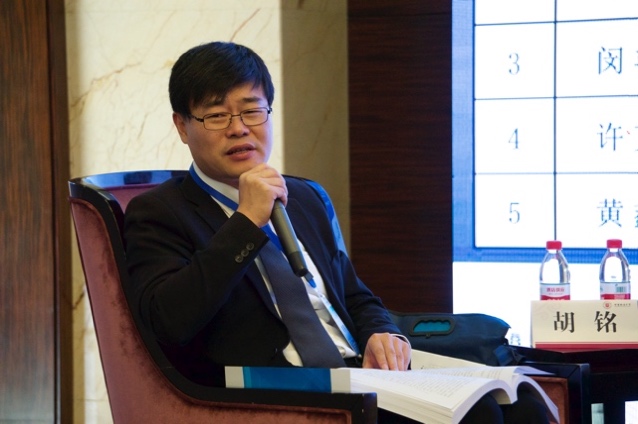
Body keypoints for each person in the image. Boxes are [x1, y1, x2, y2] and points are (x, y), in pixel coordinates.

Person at [123, 41, 549, 424]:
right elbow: (169, 322)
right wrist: (245, 223)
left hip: (356, 375)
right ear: (182, 126)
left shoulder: (304, 197)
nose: (239, 128)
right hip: (268, 392)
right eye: (217, 115)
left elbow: (354, 295)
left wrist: (382, 333)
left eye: (252, 110)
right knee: (479, 416)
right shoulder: (159, 212)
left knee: (524, 406)